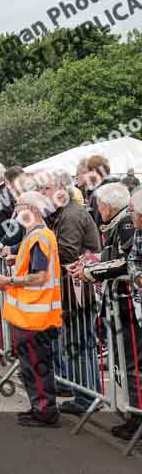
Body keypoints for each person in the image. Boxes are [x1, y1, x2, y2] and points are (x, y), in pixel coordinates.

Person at [0, 191, 62, 427]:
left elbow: (39, 276)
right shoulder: (35, 235)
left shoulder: (39, 236)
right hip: (31, 312)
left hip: (35, 314)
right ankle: (39, 408)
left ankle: (45, 411)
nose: (15, 212)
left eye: (19, 207)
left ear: (30, 209)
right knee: (32, 364)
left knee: (36, 365)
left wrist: (8, 281)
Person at [76, 182, 140, 440]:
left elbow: (128, 262)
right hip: (119, 303)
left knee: (131, 362)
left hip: (127, 304)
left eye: (99, 204)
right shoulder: (120, 222)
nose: (97, 209)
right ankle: (132, 414)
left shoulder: (125, 222)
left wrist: (92, 271)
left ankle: (136, 418)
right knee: (124, 362)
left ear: (107, 204)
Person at [41, 170, 101, 415]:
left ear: (61, 191)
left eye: (46, 190)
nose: (42, 194)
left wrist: (38, 255)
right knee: (76, 342)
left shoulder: (71, 215)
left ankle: (85, 398)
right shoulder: (62, 214)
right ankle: (84, 394)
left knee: (77, 343)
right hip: (72, 287)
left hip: (78, 289)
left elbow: (66, 252)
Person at [123, 187, 142, 440]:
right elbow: (133, 260)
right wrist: (138, 277)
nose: (131, 218)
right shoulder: (138, 232)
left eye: (134, 213)